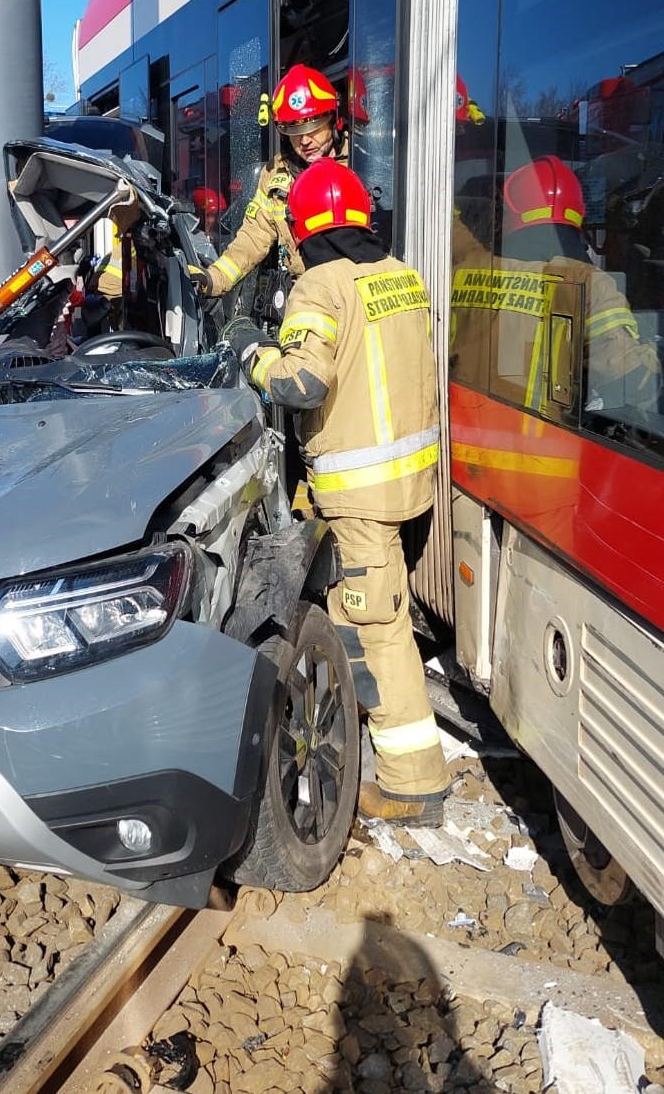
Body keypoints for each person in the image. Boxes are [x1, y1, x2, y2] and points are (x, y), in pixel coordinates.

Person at [230, 158, 450, 826]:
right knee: (372, 611)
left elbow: (304, 386)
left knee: (378, 629)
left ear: (305, 227)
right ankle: (369, 722)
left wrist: (250, 352)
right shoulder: (400, 274)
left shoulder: (320, 287)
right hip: (412, 484)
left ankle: (415, 784)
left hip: (360, 495)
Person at [450, 155, 660, 418]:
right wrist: (650, 349)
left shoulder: (464, 269)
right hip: (541, 448)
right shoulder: (590, 283)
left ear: (508, 214)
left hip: (461, 435)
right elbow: (631, 383)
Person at [191, 64, 348, 299]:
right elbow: (253, 238)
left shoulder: (361, 163)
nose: (304, 140)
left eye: (313, 125)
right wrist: (213, 278)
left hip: (350, 293)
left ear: (332, 120)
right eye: (293, 129)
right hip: (305, 295)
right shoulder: (275, 174)